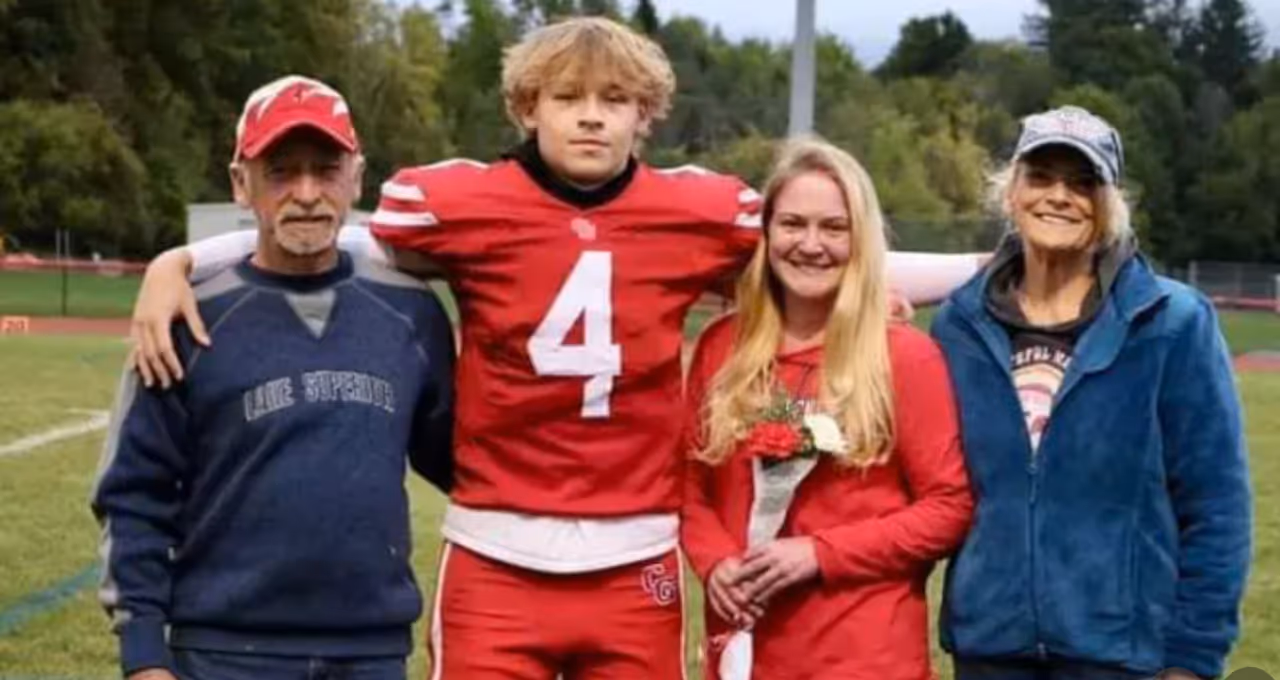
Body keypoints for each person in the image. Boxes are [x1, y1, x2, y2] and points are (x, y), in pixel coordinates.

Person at [129, 18, 984, 679]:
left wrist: (990, 265)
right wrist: (186, 259)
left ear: (645, 116)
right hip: (498, 550)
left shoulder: (696, 210)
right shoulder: (461, 201)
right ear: (525, 107)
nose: (589, 116)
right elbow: (324, 234)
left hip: (633, 553)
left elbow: (833, 251)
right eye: (568, 98)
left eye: (613, 101)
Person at [91, 75, 456, 680]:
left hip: (371, 652)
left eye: (326, 169)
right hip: (221, 652)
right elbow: (135, 495)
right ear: (242, 184)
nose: (308, 193)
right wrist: (144, 656)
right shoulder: (186, 314)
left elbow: (461, 463)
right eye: (282, 172)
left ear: (357, 177)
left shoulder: (410, 311)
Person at [931, 105, 1252, 680]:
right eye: (1041, 177)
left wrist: (1193, 660)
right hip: (989, 650)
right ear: (1010, 192)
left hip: (1121, 654)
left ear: (1110, 205)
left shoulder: (1171, 322)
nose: (1060, 196)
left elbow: (1217, 506)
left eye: (1084, 183)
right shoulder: (959, 325)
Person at [680, 137, 973, 680]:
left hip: (864, 653)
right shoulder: (723, 346)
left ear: (861, 239)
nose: (810, 245)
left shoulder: (905, 356)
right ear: (766, 233)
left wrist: (821, 553)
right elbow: (692, 488)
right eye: (792, 224)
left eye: (833, 228)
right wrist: (715, 560)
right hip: (748, 647)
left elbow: (948, 507)